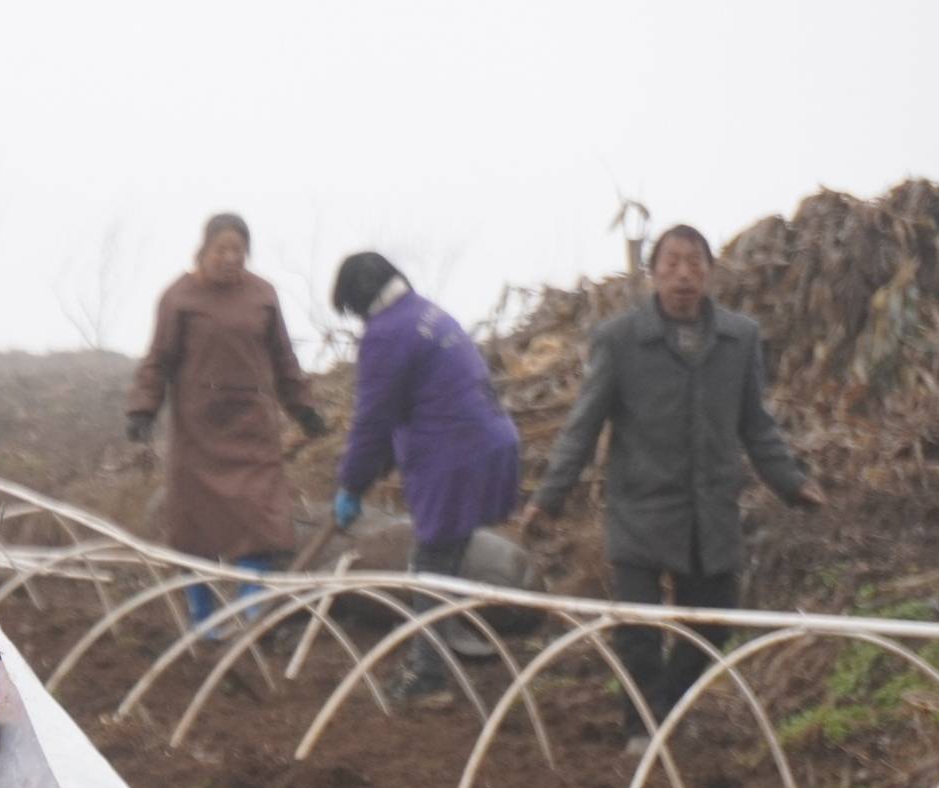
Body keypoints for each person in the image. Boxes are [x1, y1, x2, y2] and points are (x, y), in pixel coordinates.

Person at [519, 223, 826, 747]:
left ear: (710, 273)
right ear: (653, 273)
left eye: (694, 263)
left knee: (713, 623)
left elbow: (756, 423)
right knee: (638, 627)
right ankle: (641, 728)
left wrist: (791, 483)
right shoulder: (619, 341)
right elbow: (584, 425)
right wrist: (549, 499)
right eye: (672, 263)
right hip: (640, 504)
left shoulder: (738, 338)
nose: (683, 274)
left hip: (710, 507)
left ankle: (663, 709)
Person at [328, 252, 522, 701]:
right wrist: (368, 472)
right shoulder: (426, 314)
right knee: (443, 561)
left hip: (453, 456)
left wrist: (352, 486)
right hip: (489, 445)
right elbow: (406, 406)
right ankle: (438, 652)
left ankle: (429, 677)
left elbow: (373, 420)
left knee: (430, 566)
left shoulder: (386, 334)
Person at [126, 213, 327, 631]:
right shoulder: (179, 297)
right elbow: (158, 359)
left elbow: (284, 359)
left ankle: (250, 615)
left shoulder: (262, 295)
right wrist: (143, 409)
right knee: (194, 526)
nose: (230, 258)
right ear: (204, 250)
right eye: (222, 249)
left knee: (262, 520)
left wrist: (304, 408)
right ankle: (204, 618)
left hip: (252, 428)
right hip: (198, 430)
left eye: (238, 250)